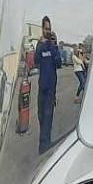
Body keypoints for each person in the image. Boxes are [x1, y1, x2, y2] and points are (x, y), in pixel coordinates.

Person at [31, 17, 68, 147]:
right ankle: (44, 141)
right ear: (42, 29)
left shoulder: (53, 46)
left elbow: (58, 64)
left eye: (49, 29)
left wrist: (54, 46)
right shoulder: (40, 45)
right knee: (41, 116)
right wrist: (40, 45)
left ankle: (45, 145)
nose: (48, 31)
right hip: (42, 87)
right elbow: (35, 61)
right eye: (46, 29)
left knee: (47, 117)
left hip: (51, 88)